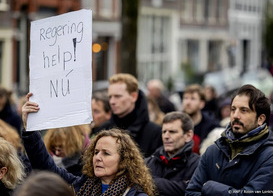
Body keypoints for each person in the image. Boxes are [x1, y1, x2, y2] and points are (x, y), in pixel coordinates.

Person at [21, 93, 156, 195]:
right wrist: (30, 129)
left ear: (123, 161)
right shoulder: (82, 184)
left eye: (106, 153)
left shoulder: (135, 194)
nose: (98, 157)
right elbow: (46, 167)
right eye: (96, 152)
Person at [186, 84, 273, 195]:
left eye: (244, 110)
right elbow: (190, 192)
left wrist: (210, 187)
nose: (235, 115)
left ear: (260, 119)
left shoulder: (269, 156)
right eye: (233, 109)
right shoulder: (213, 151)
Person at [96, 73, 162, 157]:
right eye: (110, 97)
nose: (112, 102)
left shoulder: (154, 133)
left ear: (133, 97)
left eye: (117, 96)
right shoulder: (103, 129)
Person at [146, 111, 200, 196]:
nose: (166, 136)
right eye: (164, 132)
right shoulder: (150, 162)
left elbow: (189, 190)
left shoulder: (198, 164)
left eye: (172, 131)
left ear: (188, 135)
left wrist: (151, 181)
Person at [182, 84, 220, 154]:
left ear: (202, 104)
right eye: (186, 98)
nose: (188, 102)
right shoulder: (176, 124)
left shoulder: (211, 126)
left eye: (193, 99)